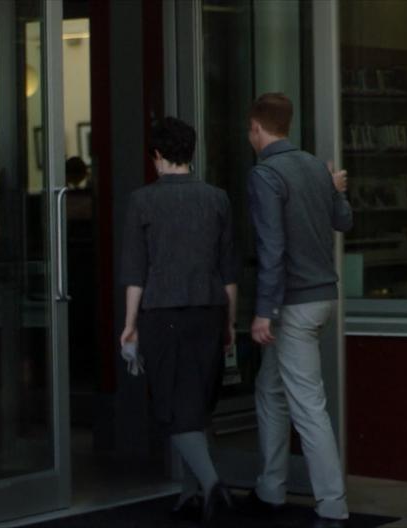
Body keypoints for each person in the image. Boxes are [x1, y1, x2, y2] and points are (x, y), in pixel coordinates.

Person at [119, 117, 238, 527]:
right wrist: (230, 324)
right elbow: (229, 275)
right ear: (191, 152)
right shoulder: (218, 199)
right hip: (209, 310)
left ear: (156, 156)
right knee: (197, 403)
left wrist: (129, 324)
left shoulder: (143, 201)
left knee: (174, 406)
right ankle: (192, 493)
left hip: (161, 313)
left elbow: (136, 271)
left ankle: (212, 485)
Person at [243, 93, 353, 528]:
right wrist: (334, 190)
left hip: (293, 304)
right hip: (323, 297)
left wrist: (263, 311)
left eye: (248, 130)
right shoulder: (313, 166)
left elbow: (272, 247)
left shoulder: (265, 174)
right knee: (270, 390)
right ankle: (270, 488)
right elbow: (344, 222)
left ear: (256, 127)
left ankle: (332, 505)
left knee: (307, 405)